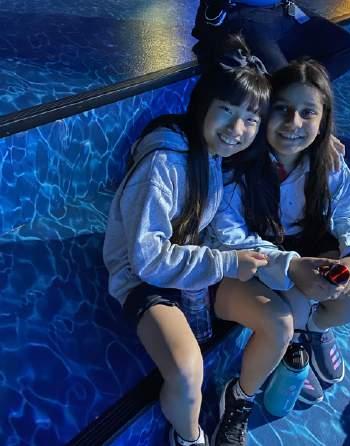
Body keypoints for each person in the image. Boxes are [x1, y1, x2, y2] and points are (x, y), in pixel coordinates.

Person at [102, 36, 275, 446]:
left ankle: (236, 398)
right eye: (227, 110)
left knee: (275, 315)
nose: (237, 130)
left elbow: (214, 226)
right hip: (142, 274)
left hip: (182, 260)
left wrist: (275, 259)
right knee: (186, 371)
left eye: (250, 119)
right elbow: (147, 260)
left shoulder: (213, 154)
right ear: (203, 105)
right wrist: (226, 264)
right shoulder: (165, 162)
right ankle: (189, 436)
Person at [207, 58, 350, 440]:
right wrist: (292, 267)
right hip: (255, 259)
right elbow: (229, 235)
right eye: (281, 109)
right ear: (264, 111)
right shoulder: (237, 165)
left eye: (307, 113)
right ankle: (288, 346)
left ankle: (314, 330)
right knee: (293, 309)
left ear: (323, 118)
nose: (293, 122)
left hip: (298, 250)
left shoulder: (327, 160)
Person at [192, 0, 350, 78]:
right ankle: (298, 106)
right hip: (241, 13)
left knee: (346, 48)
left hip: (282, 9)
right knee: (284, 81)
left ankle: (304, 99)